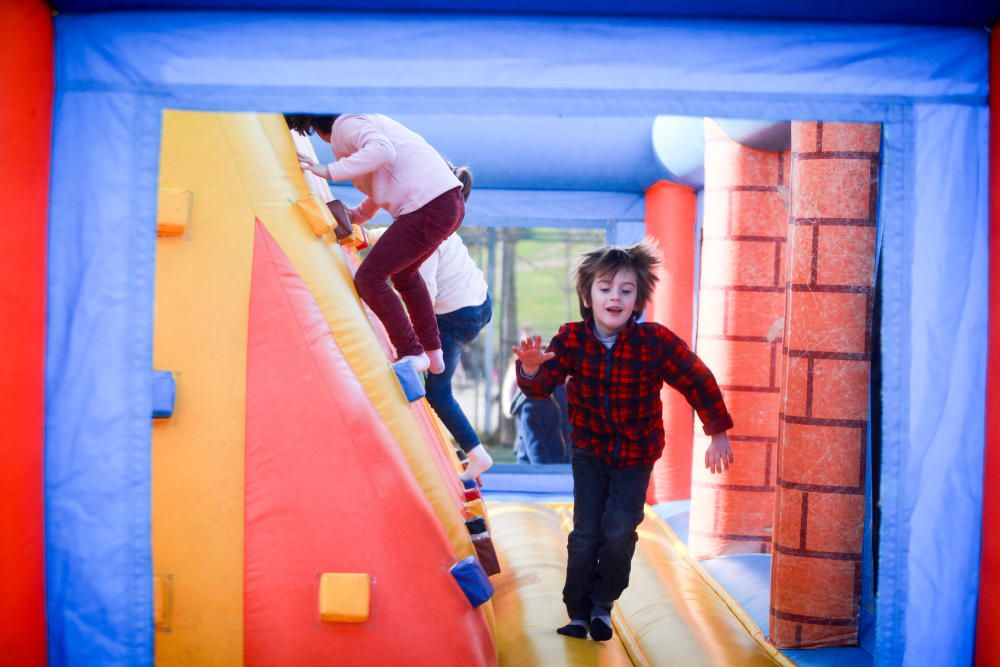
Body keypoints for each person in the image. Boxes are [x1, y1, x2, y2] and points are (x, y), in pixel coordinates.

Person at [513, 239, 735, 642]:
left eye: (626, 290)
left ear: (638, 299)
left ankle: (603, 604)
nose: (615, 297)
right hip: (590, 450)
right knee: (585, 533)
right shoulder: (571, 339)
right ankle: (578, 612)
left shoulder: (654, 342)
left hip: (636, 453)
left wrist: (716, 430)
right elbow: (542, 387)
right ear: (586, 294)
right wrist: (529, 370)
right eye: (605, 288)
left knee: (618, 530)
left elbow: (695, 377)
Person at [285, 112, 464, 375]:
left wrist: (329, 171)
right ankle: (432, 352)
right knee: (405, 274)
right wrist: (356, 216)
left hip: (429, 207)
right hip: (446, 203)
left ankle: (411, 352)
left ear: (317, 129)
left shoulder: (345, 125)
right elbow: (385, 179)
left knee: (369, 279)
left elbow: (383, 152)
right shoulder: (369, 122)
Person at [367, 226, 494, 481]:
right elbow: (399, 230)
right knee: (435, 373)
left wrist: (410, 339)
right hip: (480, 302)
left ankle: (478, 453)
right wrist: (368, 235)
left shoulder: (424, 239)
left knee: (438, 392)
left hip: (455, 316)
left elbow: (423, 295)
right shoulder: (436, 216)